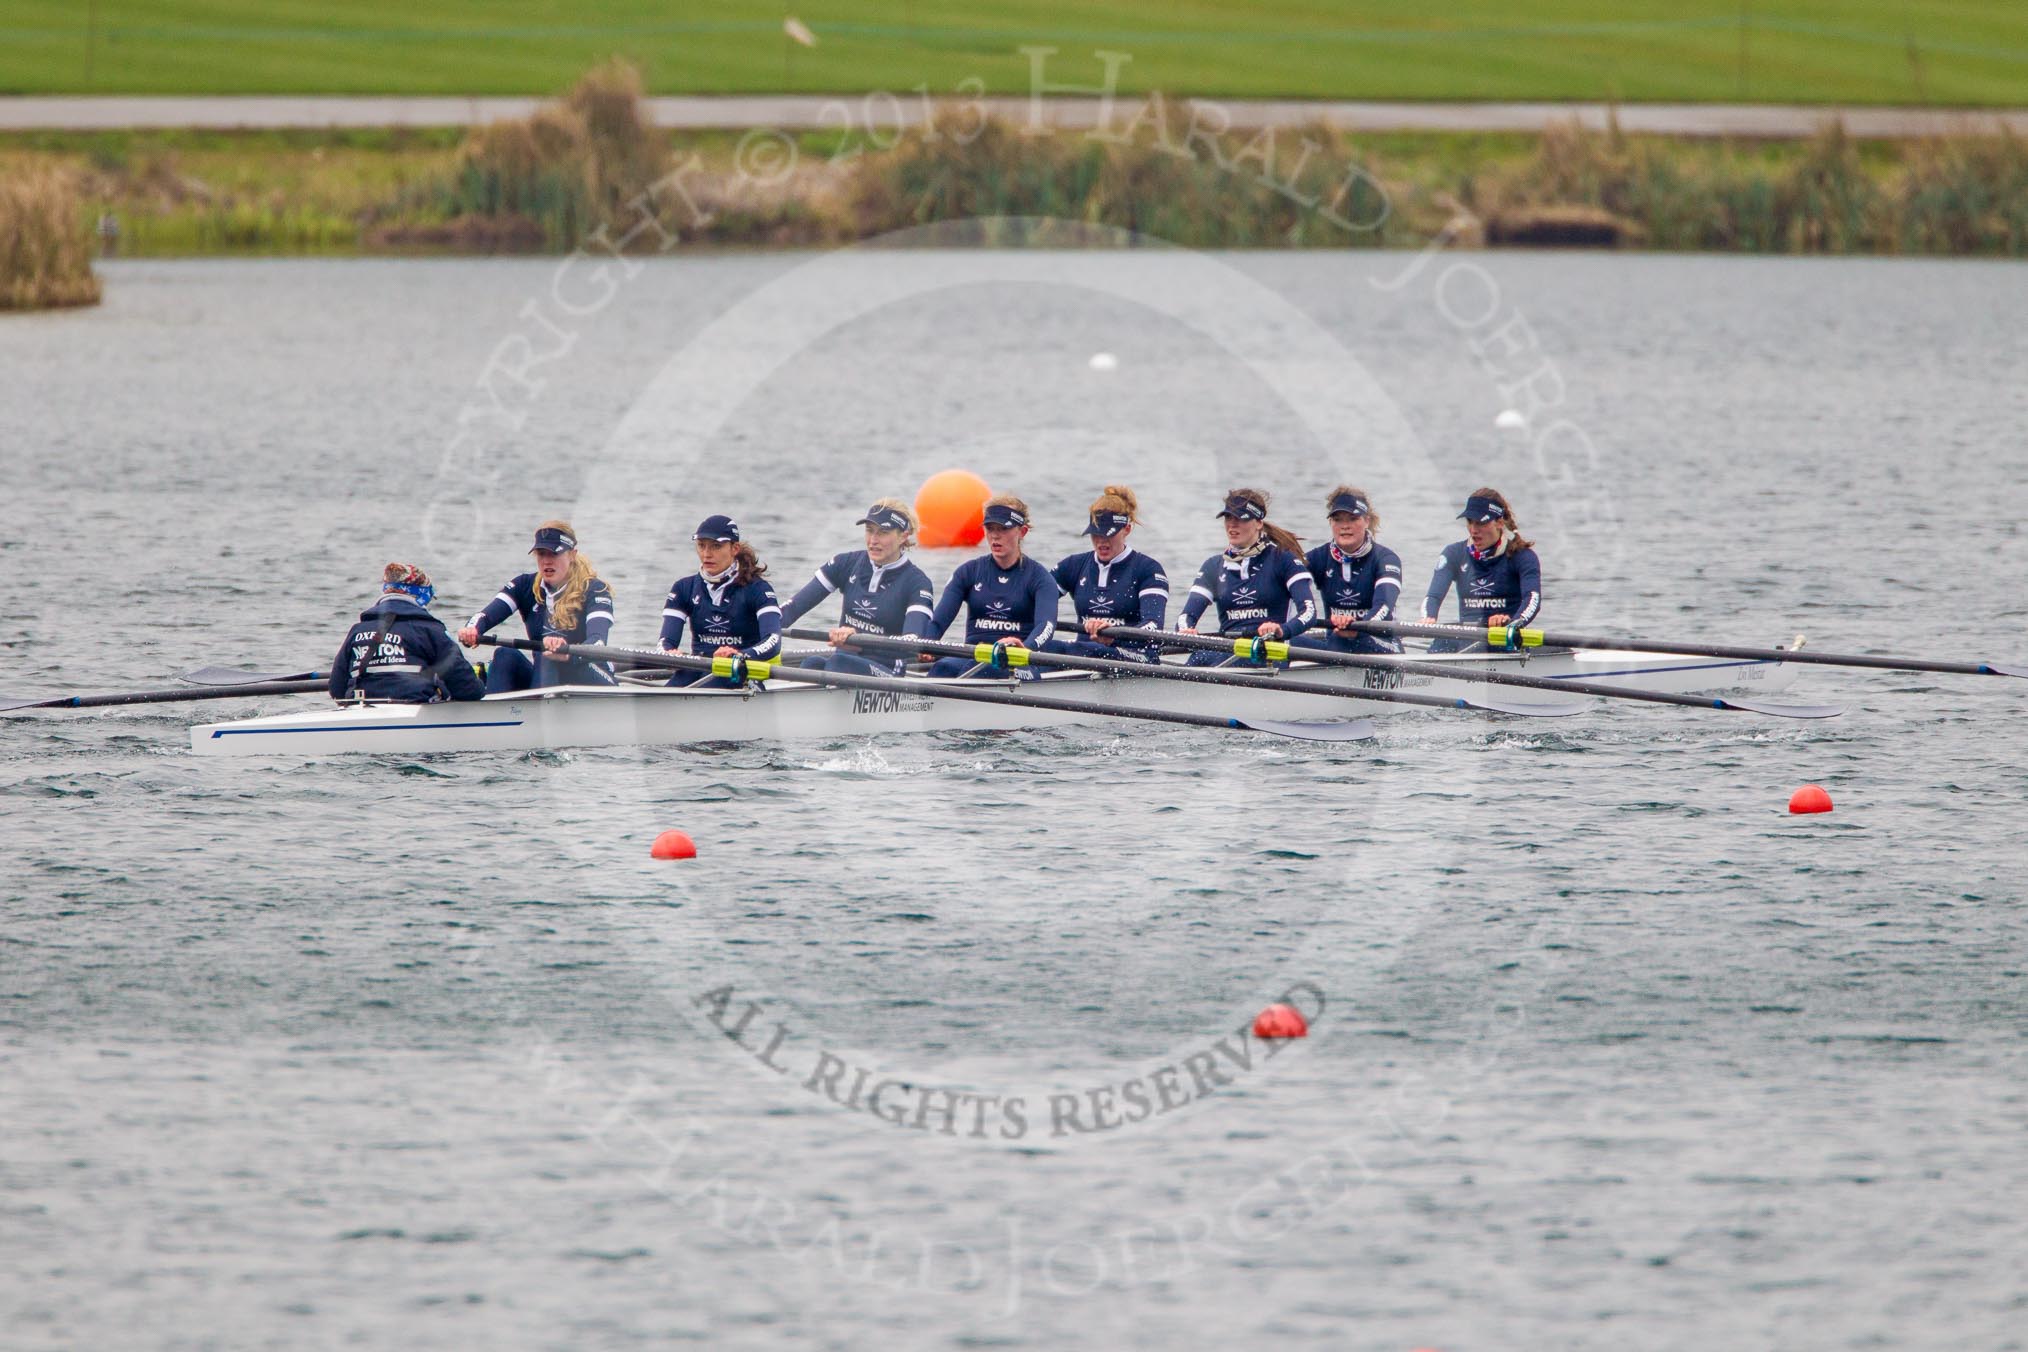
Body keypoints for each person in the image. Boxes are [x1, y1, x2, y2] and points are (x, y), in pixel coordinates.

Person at [779, 499, 937, 676]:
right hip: (844, 664)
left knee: (839, 662)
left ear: (903, 536)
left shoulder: (918, 582)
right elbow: (792, 609)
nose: (873, 540)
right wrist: (753, 631)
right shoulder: (845, 563)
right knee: (812, 663)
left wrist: (859, 639)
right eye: (869, 531)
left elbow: (911, 642)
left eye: (883, 532)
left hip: (887, 671)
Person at [457, 521, 617, 692]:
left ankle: (539, 713)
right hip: (549, 679)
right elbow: (485, 616)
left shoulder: (596, 590)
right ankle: (494, 715)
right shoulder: (524, 585)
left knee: (547, 655)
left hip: (592, 677)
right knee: (504, 655)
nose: (547, 561)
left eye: (554, 554)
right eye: (541, 554)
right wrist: (472, 629)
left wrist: (567, 653)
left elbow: (598, 642)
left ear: (572, 555)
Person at [1175, 489, 1318, 667]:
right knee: (1199, 658)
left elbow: (1309, 612)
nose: (1232, 525)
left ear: (1258, 523)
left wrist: (1281, 630)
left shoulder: (1283, 559)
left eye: (1241, 519)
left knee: (1233, 659)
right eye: (1228, 518)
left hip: (1269, 649)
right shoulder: (1213, 566)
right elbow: (1186, 616)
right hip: (1229, 647)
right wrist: (1185, 630)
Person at [923, 495, 1060, 678]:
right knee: (943, 668)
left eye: (1004, 528)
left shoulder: (1040, 578)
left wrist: (1026, 648)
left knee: (985, 669)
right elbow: (938, 622)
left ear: (1022, 532)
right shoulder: (967, 572)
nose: (995, 535)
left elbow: (1046, 626)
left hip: (1017, 660)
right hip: (974, 655)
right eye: (990, 528)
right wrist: (925, 645)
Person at [1044, 485, 1169, 664]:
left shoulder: (1148, 569)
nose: (1101, 541)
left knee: (1086, 649)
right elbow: (1035, 603)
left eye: (1108, 534)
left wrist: (1114, 635)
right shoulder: (1073, 565)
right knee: (1045, 648)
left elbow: (1154, 626)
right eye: (1095, 534)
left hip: (1134, 656)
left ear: (1127, 529)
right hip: (1084, 654)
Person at [331, 563, 485, 704]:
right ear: (422, 596)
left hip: (359, 707)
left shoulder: (358, 629)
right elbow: (469, 689)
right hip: (413, 708)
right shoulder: (429, 629)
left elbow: (336, 688)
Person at [659, 514, 783, 688]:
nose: (706, 554)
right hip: (699, 667)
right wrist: (668, 654)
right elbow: (665, 642)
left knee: (722, 675)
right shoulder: (683, 588)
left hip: (742, 672)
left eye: (716, 546)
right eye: (701, 546)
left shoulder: (758, 589)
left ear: (734, 548)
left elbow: (773, 641)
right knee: (680, 680)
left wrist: (740, 655)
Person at [1416, 487, 1542, 653]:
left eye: (1481, 522)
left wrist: (1514, 622)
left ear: (1499, 522)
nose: (1474, 530)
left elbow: (1533, 598)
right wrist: (1428, 617)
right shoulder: (1454, 554)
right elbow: (1433, 596)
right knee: (1442, 641)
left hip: (1505, 640)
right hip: (1468, 640)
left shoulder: (1523, 557)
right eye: (1470, 521)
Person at [1294, 485, 1405, 656]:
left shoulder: (1385, 559)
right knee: (1286, 641)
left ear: (1367, 521)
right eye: (1338, 519)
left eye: (1353, 519)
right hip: (1336, 644)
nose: (1345, 526)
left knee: (1341, 641)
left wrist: (1357, 628)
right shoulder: (1319, 557)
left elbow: (1384, 606)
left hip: (1381, 643)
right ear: (1330, 523)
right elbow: (1280, 581)